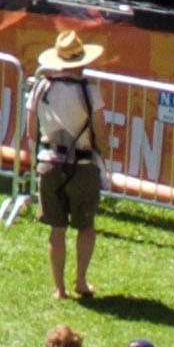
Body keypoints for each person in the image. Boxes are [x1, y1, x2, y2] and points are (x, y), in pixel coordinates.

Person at [22, 37, 109, 301]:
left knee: (56, 229)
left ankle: (59, 289)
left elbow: (31, 131)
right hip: (82, 164)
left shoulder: (40, 87)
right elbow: (100, 133)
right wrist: (103, 153)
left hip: (49, 163)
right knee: (85, 225)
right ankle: (80, 281)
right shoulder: (89, 91)